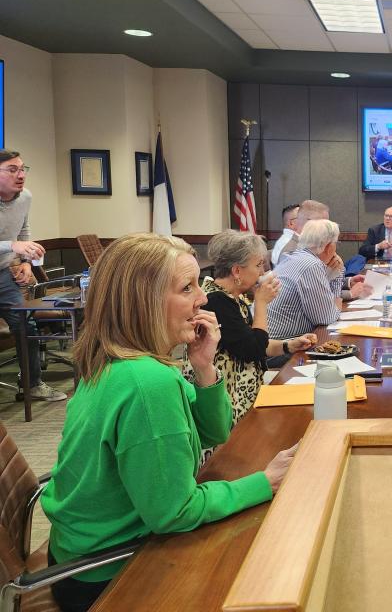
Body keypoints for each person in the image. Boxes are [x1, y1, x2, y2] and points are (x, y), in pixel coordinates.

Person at [40, 233, 296, 612]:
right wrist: (265, 481)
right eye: (187, 287)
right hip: (107, 572)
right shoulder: (148, 383)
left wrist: (204, 366)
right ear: (144, 302)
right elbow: (175, 513)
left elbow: (216, 432)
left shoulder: (122, 360)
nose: (203, 298)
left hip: (78, 552)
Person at [190, 230, 317, 424]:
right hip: (228, 403)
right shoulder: (216, 302)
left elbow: (252, 340)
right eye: (258, 265)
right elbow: (253, 349)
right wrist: (262, 304)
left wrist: (289, 345)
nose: (262, 272)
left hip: (246, 393)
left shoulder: (232, 297)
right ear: (237, 271)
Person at [0, 149, 66, 401]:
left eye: (22, 169)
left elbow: (24, 230)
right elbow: (14, 242)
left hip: (5, 276)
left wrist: (26, 262)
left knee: (24, 325)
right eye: (12, 169)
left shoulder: (25, 197)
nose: (20, 175)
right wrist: (11, 246)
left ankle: (33, 385)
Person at [268, 219, 344, 341]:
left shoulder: (292, 256)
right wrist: (336, 276)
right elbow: (327, 318)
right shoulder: (311, 265)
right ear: (329, 247)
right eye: (337, 243)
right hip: (283, 347)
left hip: (269, 342)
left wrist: (332, 273)